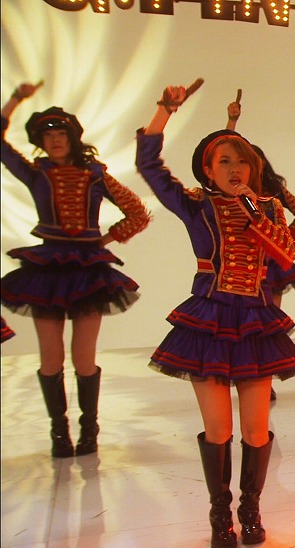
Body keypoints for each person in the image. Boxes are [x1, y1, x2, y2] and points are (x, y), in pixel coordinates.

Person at [136, 83, 295, 548]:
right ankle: (219, 515)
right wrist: (164, 111)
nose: (235, 169)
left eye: (242, 161)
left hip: (256, 322)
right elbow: (149, 166)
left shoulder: (268, 207)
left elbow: (287, 253)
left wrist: (255, 211)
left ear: (254, 168)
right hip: (208, 321)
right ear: (208, 170)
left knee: (255, 429)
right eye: (224, 162)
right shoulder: (196, 205)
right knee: (219, 429)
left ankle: (250, 510)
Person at [1, 81, 151, 458]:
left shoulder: (95, 174)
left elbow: (137, 211)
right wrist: (15, 101)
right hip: (47, 270)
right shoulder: (36, 173)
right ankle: (59, 431)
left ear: (72, 138)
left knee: (84, 358)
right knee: (51, 358)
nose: (55, 140)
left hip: (88, 271)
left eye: (61, 133)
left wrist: (105, 239)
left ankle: (89, 429)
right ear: (41, 141)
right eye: (48, 135)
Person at [226, 91, 295, 401]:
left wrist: (285, 240)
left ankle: (264, 378)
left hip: (272, 265)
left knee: (267, 320)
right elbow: (221, 154)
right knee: (241, 321)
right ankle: (248, 375)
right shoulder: (234, 193)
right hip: (240, 265)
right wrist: (231, 122)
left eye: (251, 161)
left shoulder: (274, 192)